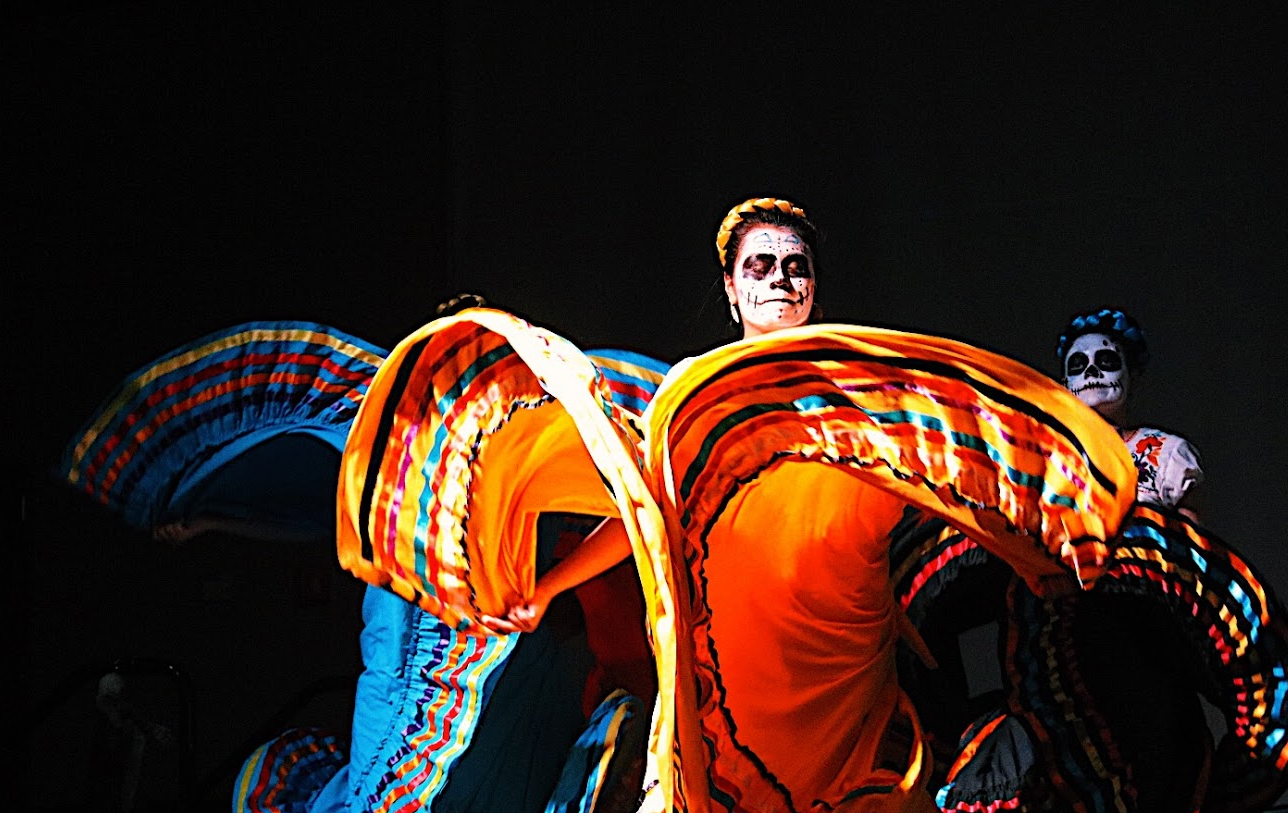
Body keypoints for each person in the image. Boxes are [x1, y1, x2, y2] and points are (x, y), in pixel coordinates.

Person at [477, 197, 1138, 813]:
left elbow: (946, 468)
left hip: (845, 666)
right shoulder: (691, 397)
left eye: (797, 267)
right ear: (732, 288)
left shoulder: (855, 390)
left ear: (815, 286)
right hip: (736, 671)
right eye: (760, 266)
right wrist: (550, 587)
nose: (781, 280)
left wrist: (1036, 531)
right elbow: (642, 514)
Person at [898, 309, 1288, 812]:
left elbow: (1195, 560)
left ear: (1130, 371)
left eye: (1107, 360)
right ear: (1064, 382)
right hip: (1052, 623)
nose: (1094, 373)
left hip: (1136, 627)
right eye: (1080, 365)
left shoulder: (1160, 452)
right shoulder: (1039, 459)